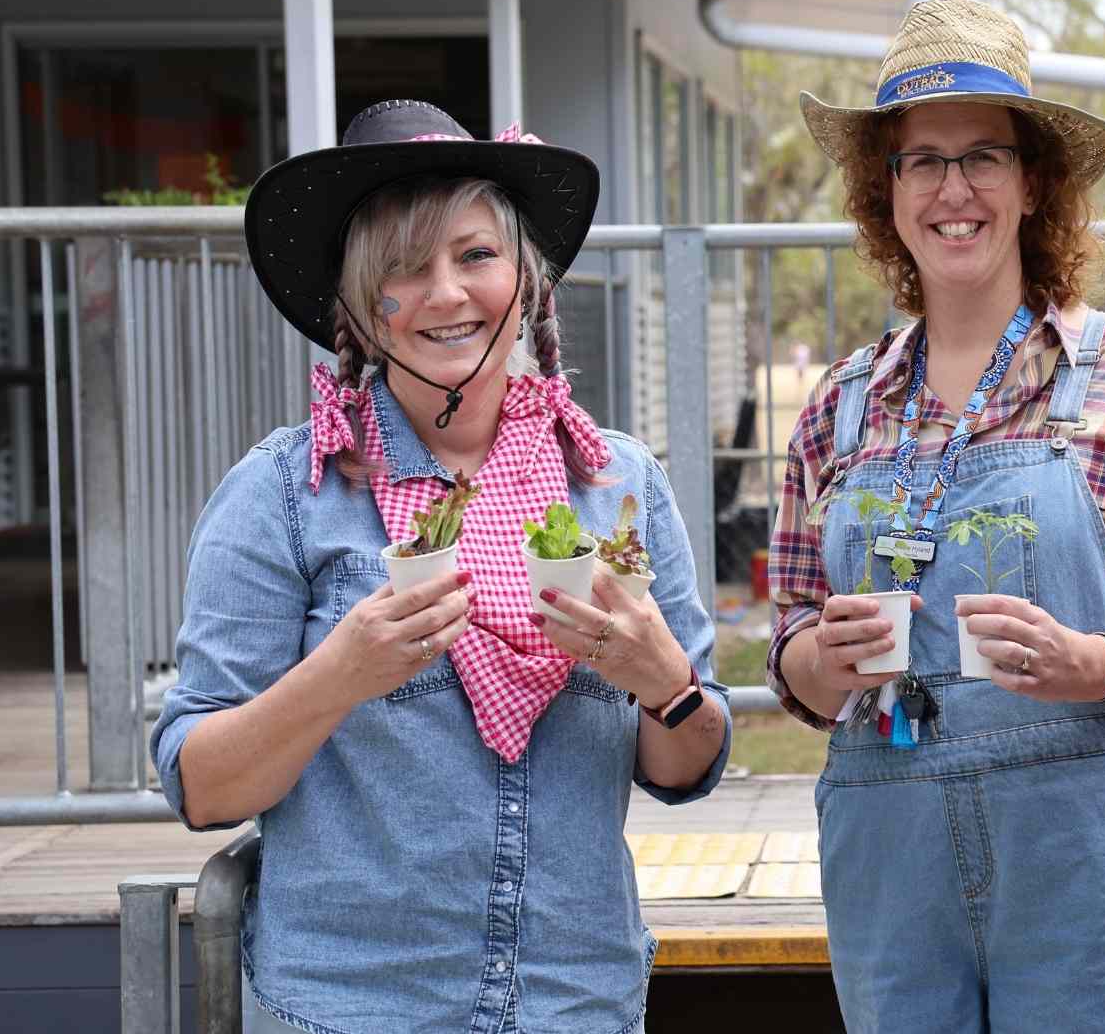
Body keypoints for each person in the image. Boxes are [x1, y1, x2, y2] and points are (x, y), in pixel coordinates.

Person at [151, 100, 731, 1033]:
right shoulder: (284, 495)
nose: (447, 294)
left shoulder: (617, 485)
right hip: (350, 1006)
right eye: (403, 269)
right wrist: (340, 675)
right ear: (356, 307)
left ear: (529, 283)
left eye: (474, 256)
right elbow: (203, 787)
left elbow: (687, 768)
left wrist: (663, 682)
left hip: (574, 1000)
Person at [765, 0, 1105, 1033]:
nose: (953, 188)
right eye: (922, 161)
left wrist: (1098, 663)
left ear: (1032, 184)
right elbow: (790, 645)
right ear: (884, 193)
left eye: (984, 155)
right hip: (888, 852)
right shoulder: (839, 407)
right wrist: (824, 662)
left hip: (1089, 855)